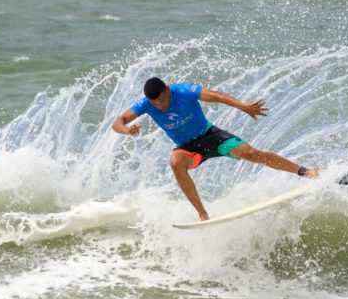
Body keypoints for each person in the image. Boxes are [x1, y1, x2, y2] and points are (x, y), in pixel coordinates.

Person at [112, 77, 319, 221]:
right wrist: (127, 130)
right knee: (175, 163)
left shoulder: (182, 91)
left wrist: (244, 107)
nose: (161, 107)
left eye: (164, 101)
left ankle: (306, 172)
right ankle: (202, 214)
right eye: (156, 104)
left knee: (251, 154)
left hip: (211, 136)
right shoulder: (146, 104)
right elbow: (118, 122)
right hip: (187, 148)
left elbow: (217, 96)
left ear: (167, 90)